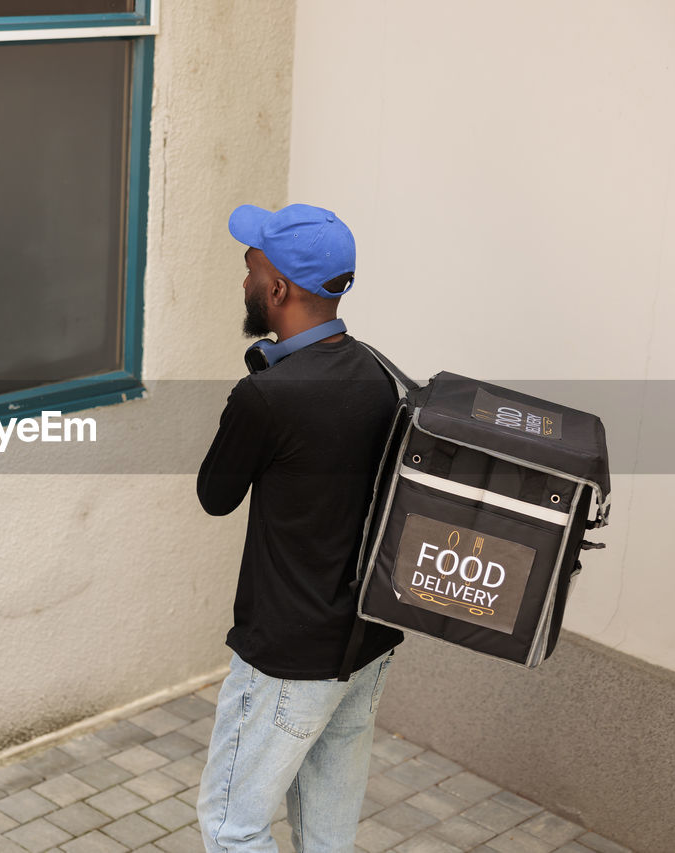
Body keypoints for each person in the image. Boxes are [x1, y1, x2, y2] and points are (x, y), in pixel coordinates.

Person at [196, 203, 405, 851]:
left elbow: (215, 493)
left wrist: (262, 377)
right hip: (363, 644)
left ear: (279, 288)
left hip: (287, 655)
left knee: (233, 825)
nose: (244, 281)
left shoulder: (267, 395)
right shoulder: (378, 373)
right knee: (326, 832)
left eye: (250, 267)